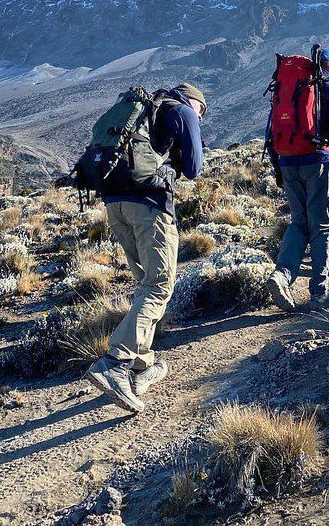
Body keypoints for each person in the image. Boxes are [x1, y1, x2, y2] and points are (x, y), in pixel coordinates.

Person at [85, 82, 206, 413]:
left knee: (146, 284)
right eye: (203, 112)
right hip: (149, 207)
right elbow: (195, 168)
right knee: (159, 286)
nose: (201, 117)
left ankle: (142, 364)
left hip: (115, 205)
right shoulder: (183, 111)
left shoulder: (143, 112)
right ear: (194, 102)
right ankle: (115, 361)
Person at [265, 48, 329, 311]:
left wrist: (279, 169)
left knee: (298, 223)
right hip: (318, 163)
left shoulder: (288, 87)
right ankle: (319, 292)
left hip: (288, 162)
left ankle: (282, 275)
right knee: (321, 227)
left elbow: (272, 132)